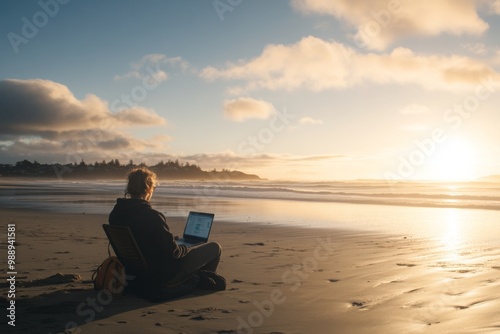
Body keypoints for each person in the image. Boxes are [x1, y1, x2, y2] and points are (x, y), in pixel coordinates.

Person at [108, 167, 224, 299]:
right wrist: (184, 247)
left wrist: (168, 240)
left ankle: (199, 278)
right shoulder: (152, 216)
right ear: (148, 188)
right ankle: (203, 281)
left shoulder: (116, 214)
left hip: (136, 272)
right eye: (153, 187)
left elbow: (141, 239)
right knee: (215, 248)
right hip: (163, 274)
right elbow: (174, 253)